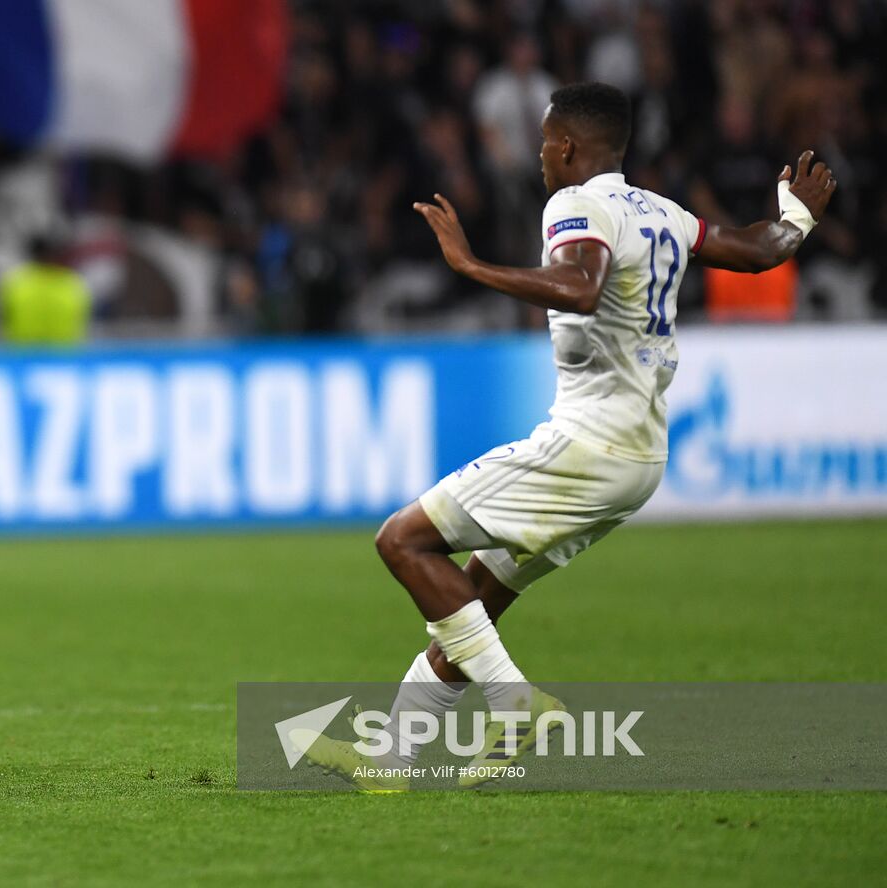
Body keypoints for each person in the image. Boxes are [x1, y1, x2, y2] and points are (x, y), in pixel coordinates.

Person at [301, 82, 836, 790]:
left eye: (547, 143)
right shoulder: (663, 213)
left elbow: (580, 287)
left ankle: (515, 703)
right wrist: (796, 216)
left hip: (588, 444)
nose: (541, 157)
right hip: (639, 458)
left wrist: (469, 267)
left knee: (402, 541)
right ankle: (392, 759)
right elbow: (760, 248)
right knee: (473, 604)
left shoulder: (575, 205)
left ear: (567, 147)